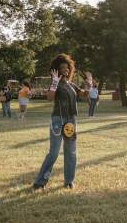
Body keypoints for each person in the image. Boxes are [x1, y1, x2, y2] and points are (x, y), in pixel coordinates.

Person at [33, 54, 92, 190]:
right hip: (57, 120)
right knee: (53, 152)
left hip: (70, 121)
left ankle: (69, 181)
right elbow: (49, 98)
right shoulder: (56, 83)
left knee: (70, 151)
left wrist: (89, 83)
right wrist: (54, 82)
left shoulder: (71, 84)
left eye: (67, 68)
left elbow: (83, 94)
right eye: (62, 68)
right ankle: (40, 182)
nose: (65, 70)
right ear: (57, 70)